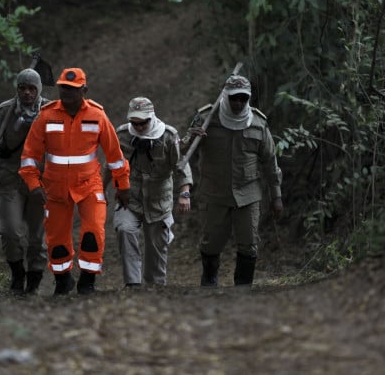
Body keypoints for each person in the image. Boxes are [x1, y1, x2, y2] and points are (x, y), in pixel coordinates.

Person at [19, 67, 130, 295]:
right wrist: (34, 185)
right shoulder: (46, 116)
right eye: (63, 88)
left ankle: (88, 281)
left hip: (89, 185)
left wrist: (123, 186)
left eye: (72, 89)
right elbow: (29, 156)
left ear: (84, 90)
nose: (67, 92)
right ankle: (62, 280)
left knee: (93, 232)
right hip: (54, 188)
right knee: (56, 239)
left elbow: (115, 156)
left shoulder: (97, 116)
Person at [182, 74, 284, 288]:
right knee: (211, 243)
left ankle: (243, 287)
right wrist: (191, 137)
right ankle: (209, 281)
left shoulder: (258, 123)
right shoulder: (206, 119)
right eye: (234, 98)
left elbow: (270, 161)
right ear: (225, 97)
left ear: (248, 99)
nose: (238, 103)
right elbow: (183, 152)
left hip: (248, 194)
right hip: (214, 193)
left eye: (243, 99)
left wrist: (276, 196)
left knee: (249, 243)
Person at [106, 97, 193, 288]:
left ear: (151, 118)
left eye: (143, 122)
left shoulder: (169, 136)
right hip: (130, 197)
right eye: (134, 123)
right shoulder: (121, 135)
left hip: (159, 199)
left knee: (157, 246)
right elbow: (110, 164)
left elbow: (182, 165)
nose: (138, 126)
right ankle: (133, 284)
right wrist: (99, 191)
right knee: (125, 230)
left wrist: (184, 193)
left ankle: (155, 286)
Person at [0, 68, 49, 295]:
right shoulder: (4, 111)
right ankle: (17, 274)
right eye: (22, 88)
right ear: (16, 89)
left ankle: (34, 281)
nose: (27, 93)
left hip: (40, 180)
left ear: (39, 89)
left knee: (38, 236)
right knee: (10, 232)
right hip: (10, 178)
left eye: (31, 88)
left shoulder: (51, 110)